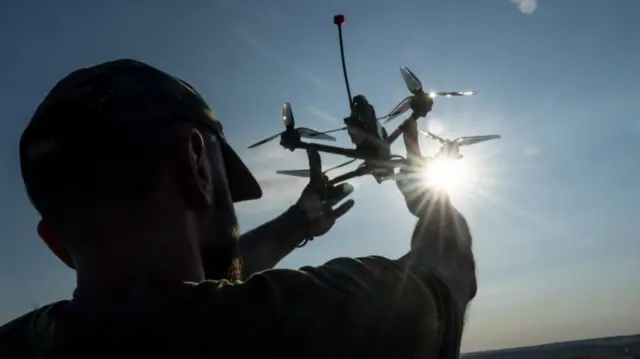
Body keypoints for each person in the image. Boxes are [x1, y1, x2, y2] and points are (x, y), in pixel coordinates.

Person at [0, 59, 476, 359]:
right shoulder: (332, 318)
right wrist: (422, 184)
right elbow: (451, 270)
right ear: (196, 166)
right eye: (227, 179)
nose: (234, 214)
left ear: (55, 241)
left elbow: (182, 293)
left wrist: (298, 223)